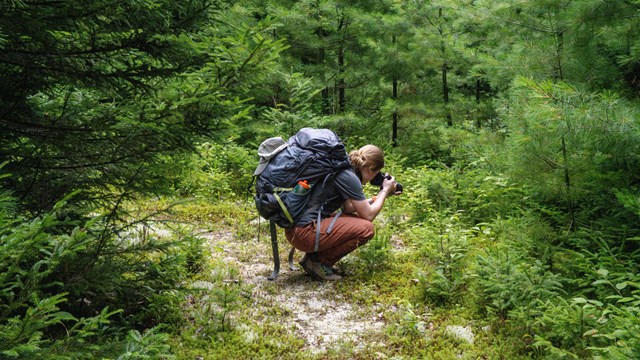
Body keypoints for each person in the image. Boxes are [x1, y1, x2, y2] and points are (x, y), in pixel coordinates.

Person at [285, 144, 398, 280]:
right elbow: (368, 215)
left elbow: (349, 207)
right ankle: (318, 263)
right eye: (376, 172)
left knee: (352, 218)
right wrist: (384, 191)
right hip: (303, 232)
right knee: (366, 229)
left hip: (297, 230)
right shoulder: (349, 176)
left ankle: (313, 258)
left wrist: (380, 196)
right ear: (370, 168)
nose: (374, 177)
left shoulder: (343, 168)